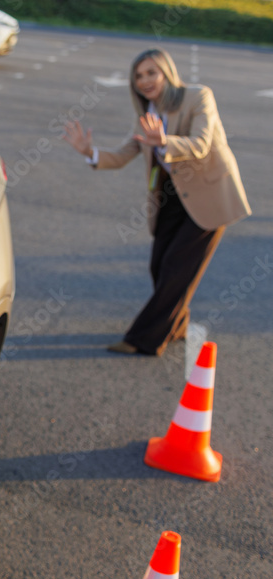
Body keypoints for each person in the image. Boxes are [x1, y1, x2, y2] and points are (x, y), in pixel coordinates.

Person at [63, 48, 250, 355]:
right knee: (160, 266)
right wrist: (89, 152)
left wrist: (164, 141)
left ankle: (143, 339)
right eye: (138, 76)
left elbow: (201, 144)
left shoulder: (198, 97)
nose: (145, 80)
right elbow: (124, 154)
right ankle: (176, 325)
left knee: (177, 266)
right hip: (170, 197)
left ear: (167, 72)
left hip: (208, 196)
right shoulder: (146, 115)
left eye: (152, 72)